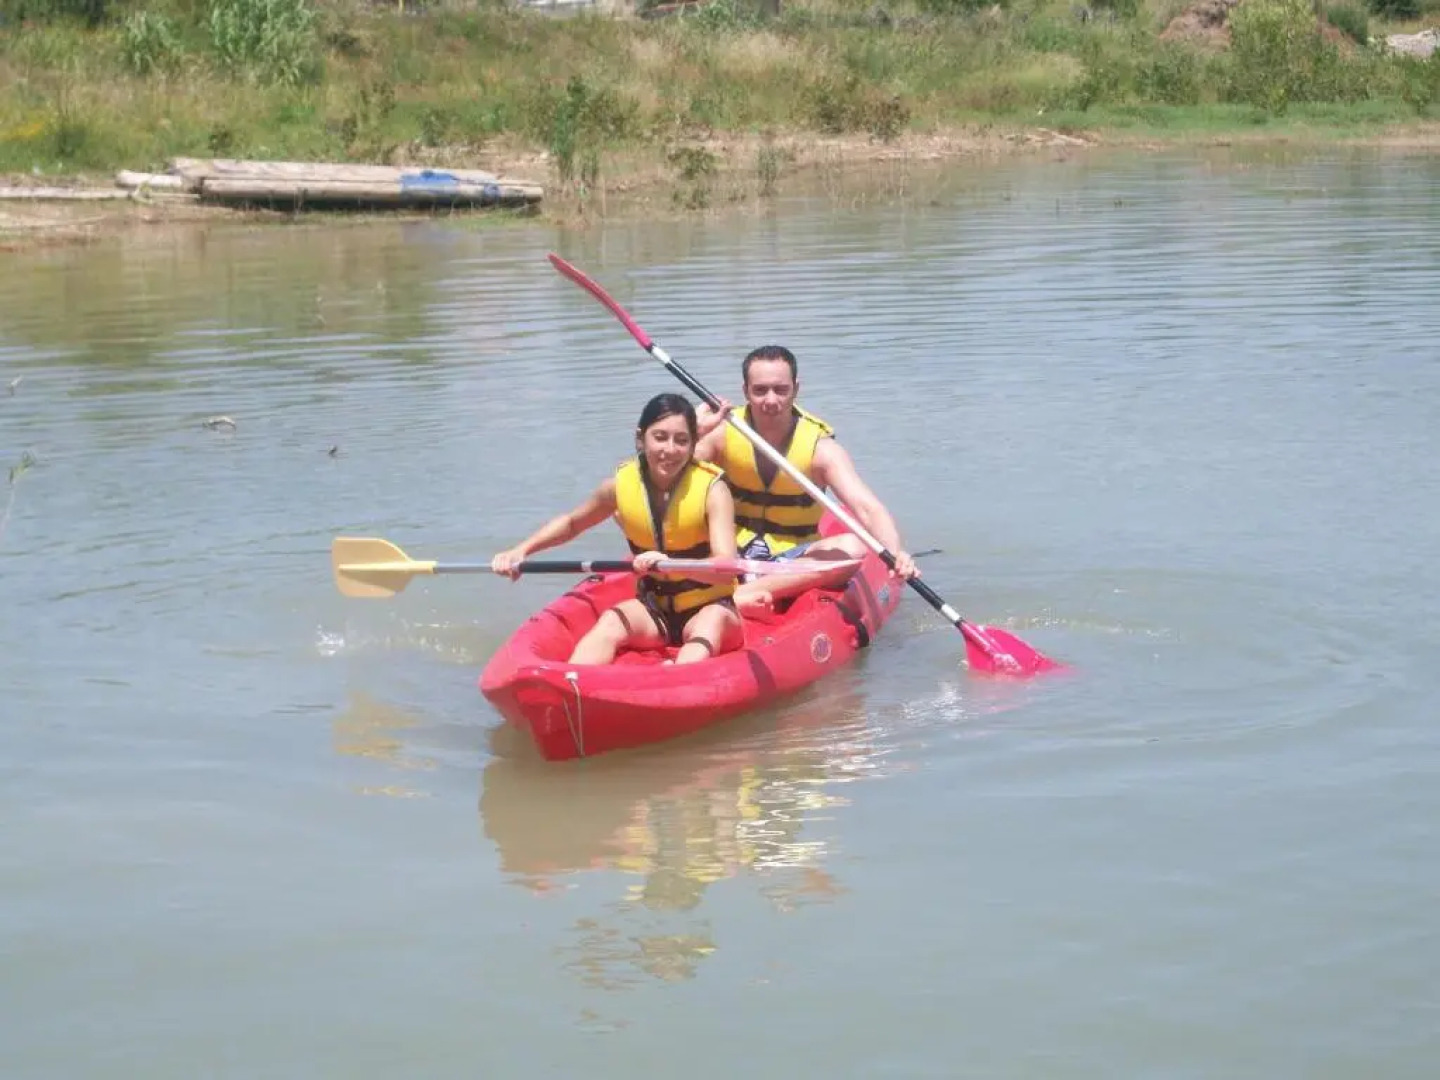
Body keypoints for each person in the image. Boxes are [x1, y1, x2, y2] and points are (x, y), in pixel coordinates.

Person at [491, 393, 746, 666]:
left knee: (709, 625)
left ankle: (674, 679)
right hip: (654, 609)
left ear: (693, 443)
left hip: (710, 608)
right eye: (659, 437)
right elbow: (572, 523)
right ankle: (572, 686)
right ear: (641, 438)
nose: (670, 450)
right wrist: (522, 550)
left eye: (681, 441)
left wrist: (671, 565)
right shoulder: (618, 486)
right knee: (611, 621)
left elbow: (726, 569)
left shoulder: (713, 489)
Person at [694, 345, 918, 613]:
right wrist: (694, 432)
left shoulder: (821, 449)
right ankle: (736, 587)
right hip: (728, 549)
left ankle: (743, 593)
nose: (770, 400)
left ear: (796, 389)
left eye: (781, 389)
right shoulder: (721, 433)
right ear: (745, 391)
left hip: (792, 558)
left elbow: (867, 508)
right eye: (760, 390)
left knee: (852, 548)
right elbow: (664, 477)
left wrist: (895, 553)